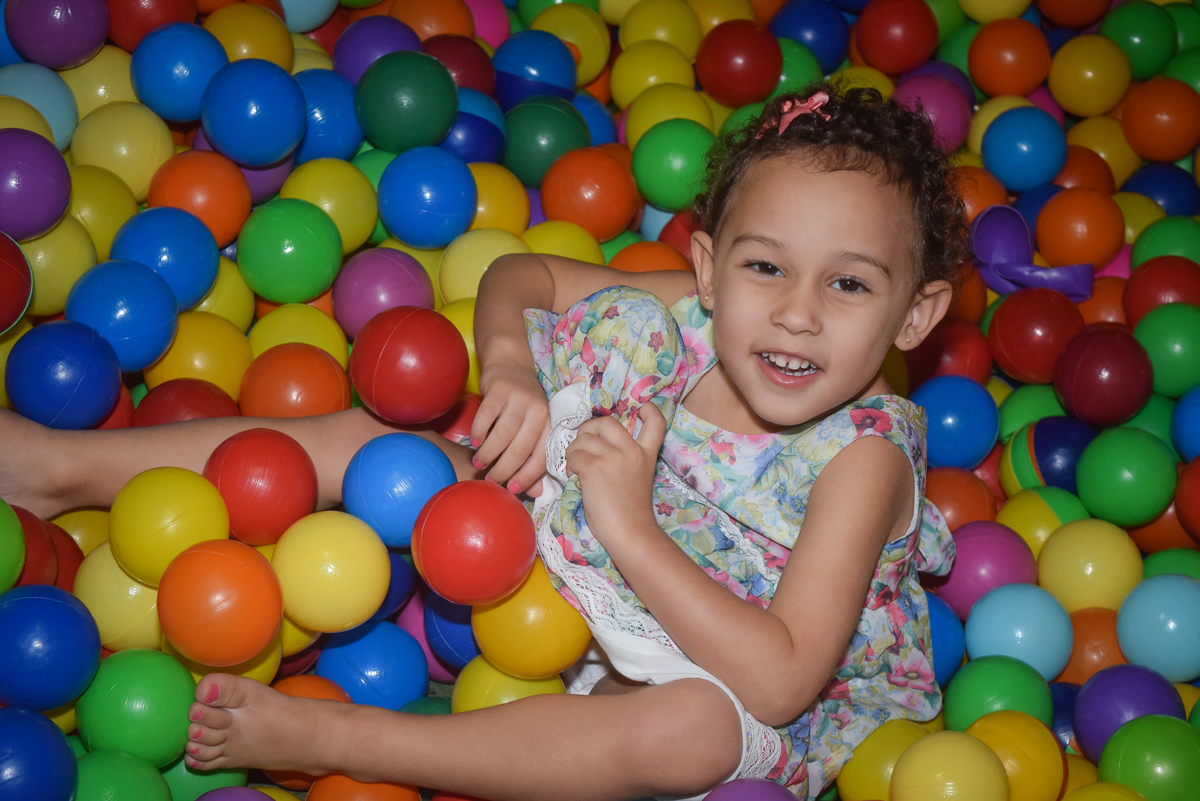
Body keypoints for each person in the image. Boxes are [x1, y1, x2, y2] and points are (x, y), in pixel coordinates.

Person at [0, 84, 966, 800]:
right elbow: (521, 273)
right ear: (711, 268)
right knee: (385, 440)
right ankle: (59, 465)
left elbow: (785, 674)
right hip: (591, 535)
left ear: (916, 314)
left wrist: (630, 526)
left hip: (728, 643)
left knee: (693, 732)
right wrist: (507, 367)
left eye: (849, 285)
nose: (795, 315)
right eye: (767, 266)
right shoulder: (710, 314)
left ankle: (349, 737)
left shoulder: (866, 453)